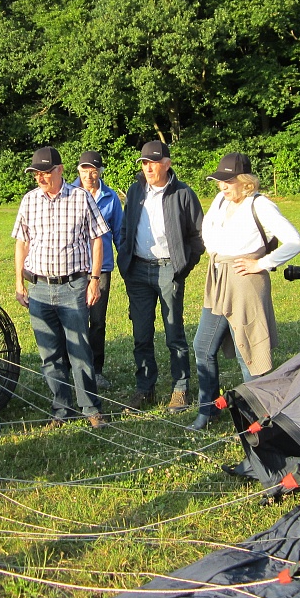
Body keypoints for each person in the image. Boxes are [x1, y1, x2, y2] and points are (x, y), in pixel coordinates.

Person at [188, 153, 300, 431]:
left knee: (249, 353)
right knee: (202, 345)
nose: (222, 186)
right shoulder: (220, 200)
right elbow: (207, 231)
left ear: (246, 181)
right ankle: (208, 411)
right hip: (218, 279)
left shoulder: (260, 205)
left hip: (245, 282)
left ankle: (259, 418)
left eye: (228, 181)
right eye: (220, 181)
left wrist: (261, 263)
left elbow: (295, 242)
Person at [13, 146, 110, 428]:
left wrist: (94, 280)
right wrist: (19, 281)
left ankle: (90, 408)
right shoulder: (29, 201)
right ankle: (61, 408)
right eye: (36, 174)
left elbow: (97, 239)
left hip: (73, 286)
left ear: (60, 170)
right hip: (40, 288)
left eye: (45, 172)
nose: (40, 178)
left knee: (80, 349)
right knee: (49, 353)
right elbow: (22, 242)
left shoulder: (81, 198)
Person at [117, 140, 204, 413]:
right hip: (138, 270)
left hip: (169, 270)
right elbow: (125, 228)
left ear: (167, 164)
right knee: (141, 334)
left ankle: (180, 388)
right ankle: (145, 389)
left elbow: (198, 236)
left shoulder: (183, 193)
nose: (148, 168)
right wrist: (125, 257)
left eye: (153, 163)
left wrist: (182, 267)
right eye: (144, 163)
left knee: (173, 332)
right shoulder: (135, 191)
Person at [70, 150, 124, 389]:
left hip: (101, 269)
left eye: (93, 171)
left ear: (100, 172)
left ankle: (96, 369)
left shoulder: (110, 197)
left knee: (98, 320)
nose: (89, 176)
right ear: (78, 171)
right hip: (73, 266)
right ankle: (72, 367)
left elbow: (119, 233)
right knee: (73, 318)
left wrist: (126, 263)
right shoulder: (68, 193)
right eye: (85, 170)